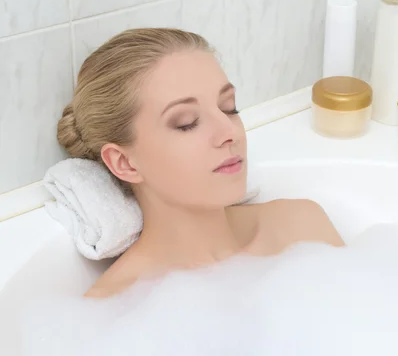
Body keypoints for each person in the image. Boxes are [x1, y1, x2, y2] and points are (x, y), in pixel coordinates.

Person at [56, 28, 344, 298]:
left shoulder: (303, 227)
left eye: (229, 108)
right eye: (187, 124)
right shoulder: (116, 310)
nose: (230, 133)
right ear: (124, 163)